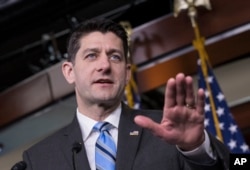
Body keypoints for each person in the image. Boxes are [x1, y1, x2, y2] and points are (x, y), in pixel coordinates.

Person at [21, 18, 229, 170]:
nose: (104, 65)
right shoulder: (38, 159)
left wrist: (195, 148)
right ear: (69, 71)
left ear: (127, 72)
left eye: (115, 57)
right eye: (92, 55)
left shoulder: (169, 130)